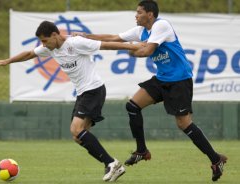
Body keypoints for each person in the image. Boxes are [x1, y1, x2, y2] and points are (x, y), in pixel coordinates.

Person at [72, 0, 227, 182]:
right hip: (162, 78)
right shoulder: (140, 31)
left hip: (179, 80)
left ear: (150, 14)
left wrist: (132, 50)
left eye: (139, 12)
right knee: (132, 106)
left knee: (184, 124)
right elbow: (114, 38)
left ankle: (216, 159)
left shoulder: (161, 25)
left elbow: (146, 51)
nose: (136, 15)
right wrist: (86, 36)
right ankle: (141, 150)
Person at [0, 20, 141, 182]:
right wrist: (8, 61)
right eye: (41, 41)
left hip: (93, 90)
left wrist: (134, 47)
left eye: (45, 40)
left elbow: (106, 45)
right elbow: (29, 54)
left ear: (54, 35)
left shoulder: (75, 43)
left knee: (76, 129)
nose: (43, 44)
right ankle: (110, 164)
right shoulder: (50, 48)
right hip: (83, 93)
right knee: (78, 136)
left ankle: (112, 163)